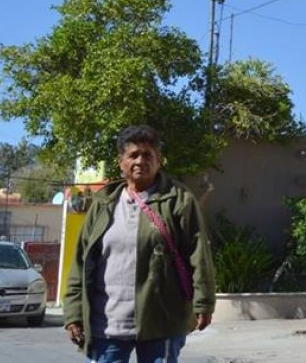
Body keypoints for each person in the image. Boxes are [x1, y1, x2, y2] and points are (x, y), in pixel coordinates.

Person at [64, 124, 216, 363]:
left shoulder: (179, 200)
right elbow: (81, 261)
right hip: (106, 324)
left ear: (159, 160)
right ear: (121, 161)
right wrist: (73, 313)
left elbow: (198, 253)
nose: (140, 161)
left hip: (161, 321)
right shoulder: (104, 203)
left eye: (148, 155)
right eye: (133, 155)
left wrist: (204, 302)